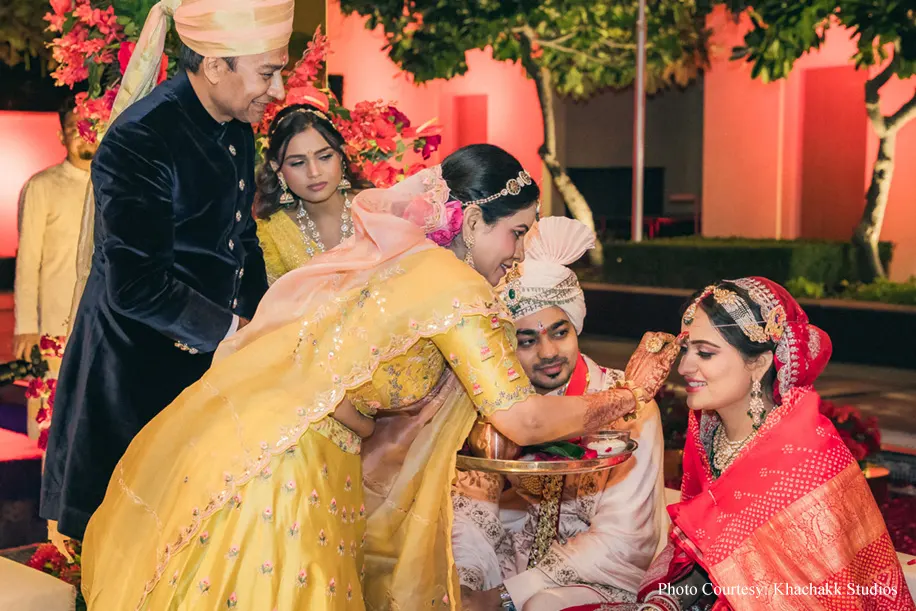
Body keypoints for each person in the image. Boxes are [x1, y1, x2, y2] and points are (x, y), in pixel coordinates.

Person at [80, 144, 680, 610]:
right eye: (516, 233)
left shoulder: (409, 261)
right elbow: (522, 418)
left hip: (280, 442)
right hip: (289, 464)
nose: (519, 254)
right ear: (473, 220)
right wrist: (627, 396)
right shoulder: (459, 290)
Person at [41, 0, 294, 541]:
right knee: (133, 546)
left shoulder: (232, 125)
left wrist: (267, 319)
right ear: (216, 64)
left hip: (211, 368)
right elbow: (136, 285)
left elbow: (239, 239)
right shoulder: (142, 138)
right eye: (268, 73)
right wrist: (236, 333)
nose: (278, 91)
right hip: (137, 376)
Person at [564, 277, 915, 611]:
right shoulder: (709, 436)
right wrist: (667, 602)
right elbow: (705, 557)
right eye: (686, 350)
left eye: (705, 353)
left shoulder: (807, 453)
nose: (684, 367)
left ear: (759, 363)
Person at [453, 217, 666, 611]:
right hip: (509, 567)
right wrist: (465, 588)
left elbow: (623, 541)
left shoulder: (627, 405)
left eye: (560, 332)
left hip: (599, 578)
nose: (548, 352)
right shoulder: (500, 408)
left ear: (576, 325)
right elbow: (472, 509)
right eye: (527, 340)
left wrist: (501, 598)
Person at [13, 96, 97, 362]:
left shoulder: (116, 185)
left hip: (103, 321)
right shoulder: (42, 186)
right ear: (62, 137)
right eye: (74, 129)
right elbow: (28, 260)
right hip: (55, 323)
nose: (84, 135)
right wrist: (26, 327)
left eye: (90, 125)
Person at [255, 103, 373, 283]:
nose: (314, 172)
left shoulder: (375, 208)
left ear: (341, 154)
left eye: (325, 157)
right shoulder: (270, 237)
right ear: (277, 168)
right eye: (298, 163)